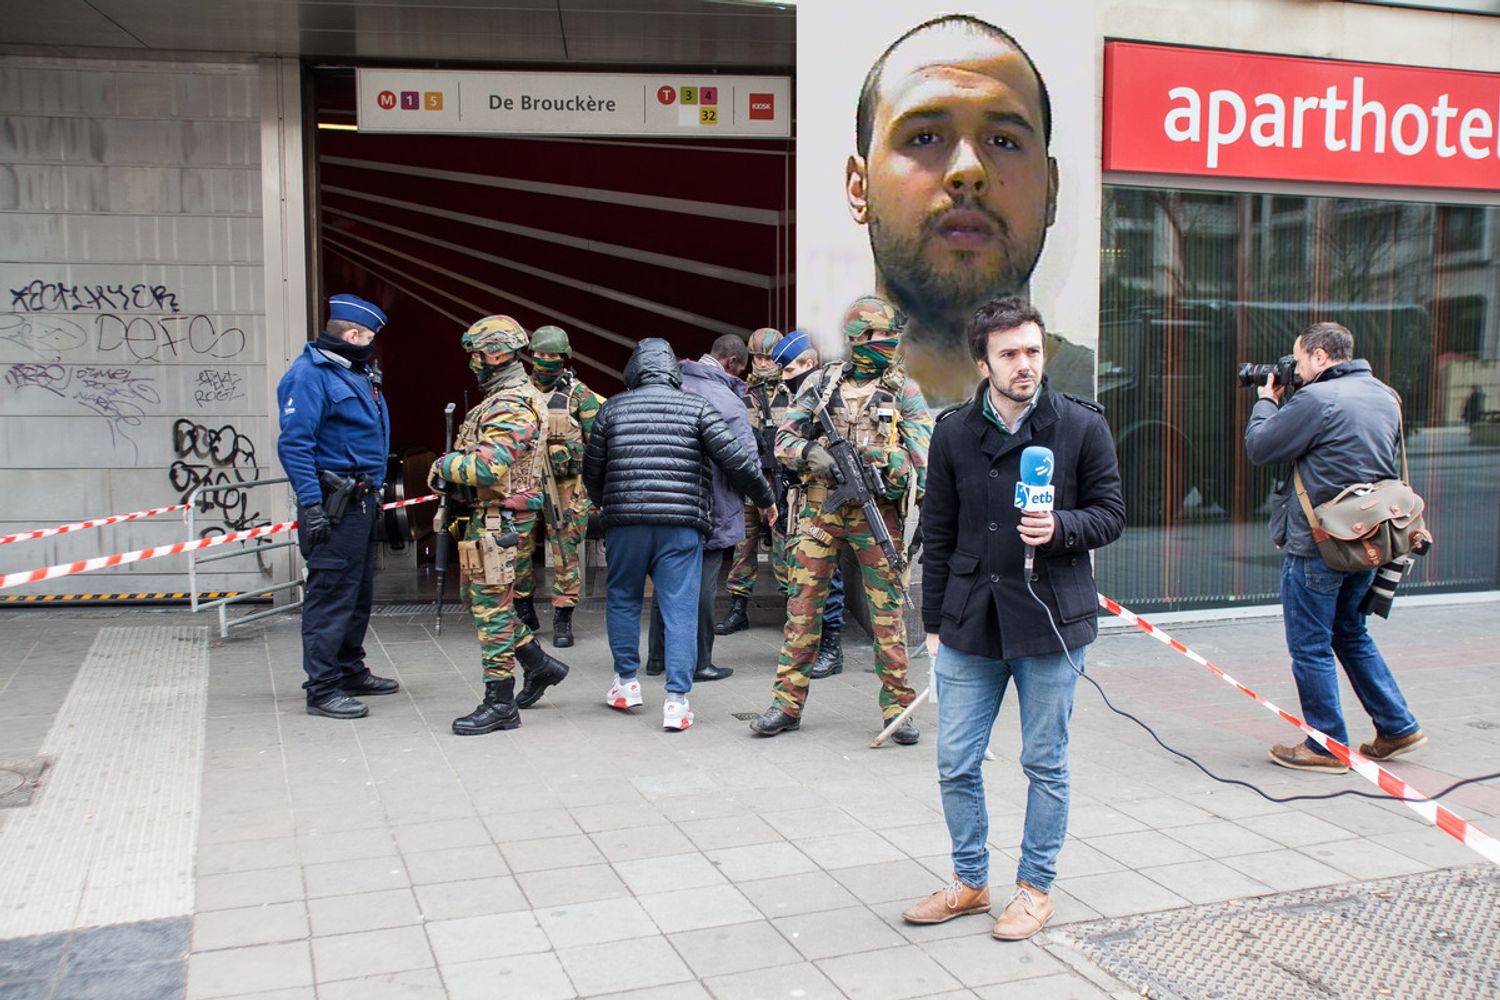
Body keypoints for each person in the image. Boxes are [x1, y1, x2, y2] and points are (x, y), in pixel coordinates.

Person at [902, 296, 1123, 941]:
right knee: (955, 761)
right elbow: (937, 533)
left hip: (1051, 619)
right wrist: (934, 623)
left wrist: (1059, 528)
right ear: (983, 362)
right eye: (1010, 355)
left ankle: (1034, 887)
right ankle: (970, 881)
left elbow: (1110, 513)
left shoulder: (1080, 426)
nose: (1025, 365)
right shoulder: (950, 432)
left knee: (1044, 761)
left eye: (1033, 351)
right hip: (971, 620)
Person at [846, 15, 1074, 405]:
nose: (968, 170)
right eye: (925, 137)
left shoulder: (1114, 409)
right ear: (859, 187)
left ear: (1051, 190)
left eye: (1003, 140)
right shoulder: (817, 400)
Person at [1244, 321, 1426, 772]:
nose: (1296, 369)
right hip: (1368, 538)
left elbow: (1261, 446)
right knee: (1350, 634)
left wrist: (1267, 401)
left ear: (1321, 357)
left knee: (1311, 645)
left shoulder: (1316, 399)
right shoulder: (1386, 396)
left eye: (1299, 359)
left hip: (1319, 543)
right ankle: (1397, 725)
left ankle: (1325, 746)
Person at [749, 296, 932, 741]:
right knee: (802, 608)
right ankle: (786, 705)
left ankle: (898, 709)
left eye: (892, 339)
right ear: (857, 340)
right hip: (819, 508)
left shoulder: (904, 391)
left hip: (876, 514)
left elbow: (924, 460)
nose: (888, 346)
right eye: (879, 338)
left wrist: (888, 462)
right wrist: (813, 453)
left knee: (888, 612)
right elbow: (783, 441)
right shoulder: (821, 385)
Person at [583, 338, 776, 731]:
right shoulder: (697, 407)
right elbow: (737, 461)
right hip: (681, 526)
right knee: (680, 607)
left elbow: (592, 470)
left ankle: (626, 684)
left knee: (622, 600)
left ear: (634, 370)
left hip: (626, 526)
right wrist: (766, 499)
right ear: (673, 370)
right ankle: (676, 701)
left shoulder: (612, 409)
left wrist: (605, 501)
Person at [429, 315, 571, 736]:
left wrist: (443, 466)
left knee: (491, 610)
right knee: (484, 603)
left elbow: (490, 466)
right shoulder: (506, 397)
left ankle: (500, 702)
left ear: (495, 353)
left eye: (477, 354)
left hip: (501, 519)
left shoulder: (510, 403)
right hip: (492, 517)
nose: (473, 362)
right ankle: (538, 663)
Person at [276, 293, 400, 720]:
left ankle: (350, 669)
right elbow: (295, 444)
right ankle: (323, 688)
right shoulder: (309, 375)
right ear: (351, 334)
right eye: (368, 337)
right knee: (330, 596)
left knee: (357, 593)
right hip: (332, 505)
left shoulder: (352, 371)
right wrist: (311, 505)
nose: (371, 345)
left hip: (360, 500)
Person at [646, 334, 763, 684]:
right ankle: (700, 662)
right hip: (710, 505)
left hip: (666, 501)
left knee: (667, 579)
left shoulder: (671, 384)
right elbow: (745, 461)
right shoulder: (727, 400)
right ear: (731, 364)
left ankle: (656, 658)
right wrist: (764, 499)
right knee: (701, 587)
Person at [512, 324, 604, 649]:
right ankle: (523, 609)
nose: (545, 360)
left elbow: (599, 444)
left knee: (565, 554)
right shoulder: (518, 392)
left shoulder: (580, 396)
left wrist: (594, 491)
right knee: (519, 548)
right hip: (524, 484)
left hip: (566, 487)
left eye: (552, 355)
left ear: (564, 358)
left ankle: (563, 615)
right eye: (540, 354)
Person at [768, 330, 849, 680]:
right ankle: (808, 643)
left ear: (810, 362)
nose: (787, 377)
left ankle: (831, 645)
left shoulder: (833, 393)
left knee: (829, 574)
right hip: (792, 493)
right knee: (800, 572)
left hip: (823, 495)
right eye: (783, 371)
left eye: (792, 369)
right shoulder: (780, 395)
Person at [716, 327, 786, 635]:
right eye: (757, 357)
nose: (762, 363)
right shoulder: (739, 393)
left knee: (784, 553)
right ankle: (738, 609)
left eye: (769, 357)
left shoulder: (793, 393)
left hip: (782, 485)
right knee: (743, 550)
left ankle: (794, 615)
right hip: (748, 483)